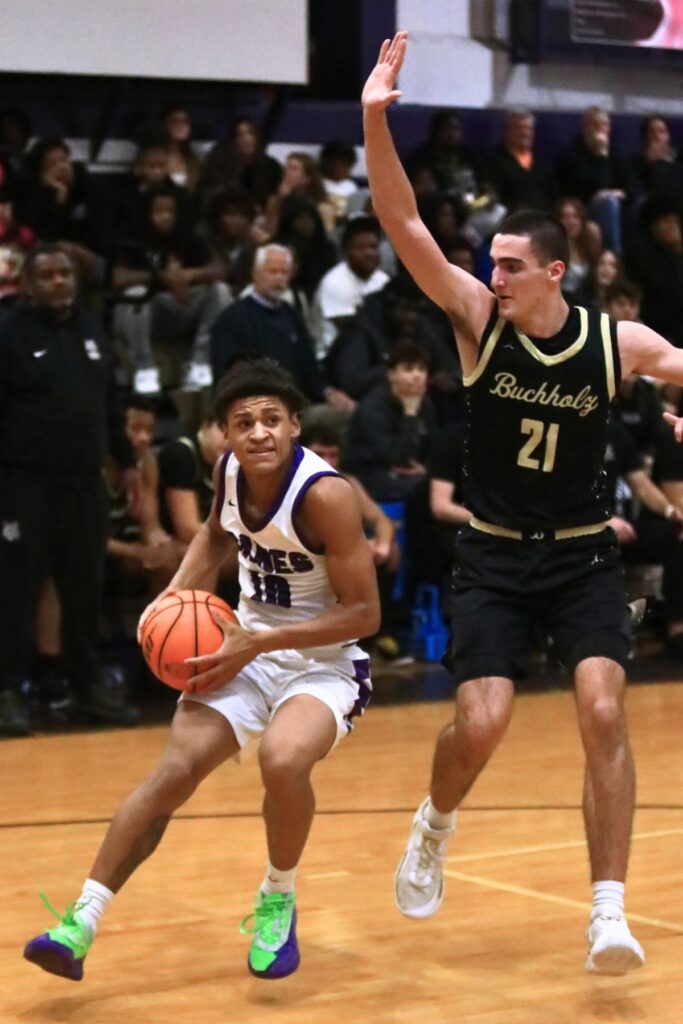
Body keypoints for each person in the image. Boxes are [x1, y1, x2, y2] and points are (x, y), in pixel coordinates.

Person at [362, 31, 683, 976]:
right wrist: (377, 118)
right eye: (489, 262)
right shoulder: (473, 322)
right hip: (494, 554)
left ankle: (607, 911)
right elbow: (405, 225)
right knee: (485, 722)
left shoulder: (615, 343)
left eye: (507, 265)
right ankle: (435, 820)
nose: (489, 274)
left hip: (582, 550)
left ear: (551, 271)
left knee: (599, 707)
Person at [23, 357, 380, 981]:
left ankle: (278, 895)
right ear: (224, 435)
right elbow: (216, 535)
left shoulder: (328, 496)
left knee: (284, 759)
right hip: (239, 645)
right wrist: (172, 598)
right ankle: (81, 921)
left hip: (322, 662)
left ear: (295, 425)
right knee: (173, 772)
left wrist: (261, 645)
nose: (259, 432)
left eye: (272, 419)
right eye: (244, 423)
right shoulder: (230, 473)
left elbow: (365, 614)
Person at [0, 244, 140, 735]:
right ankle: (7, 690)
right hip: (23, 483)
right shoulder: (9, 331)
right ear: (28, 283)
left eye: (65, 274)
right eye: (48, 275)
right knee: (16, 588)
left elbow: (108, 401)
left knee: (84, 585)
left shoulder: (90, 330)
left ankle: (86, 685)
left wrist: (126, 459)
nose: (59, 282)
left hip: (84, 482)